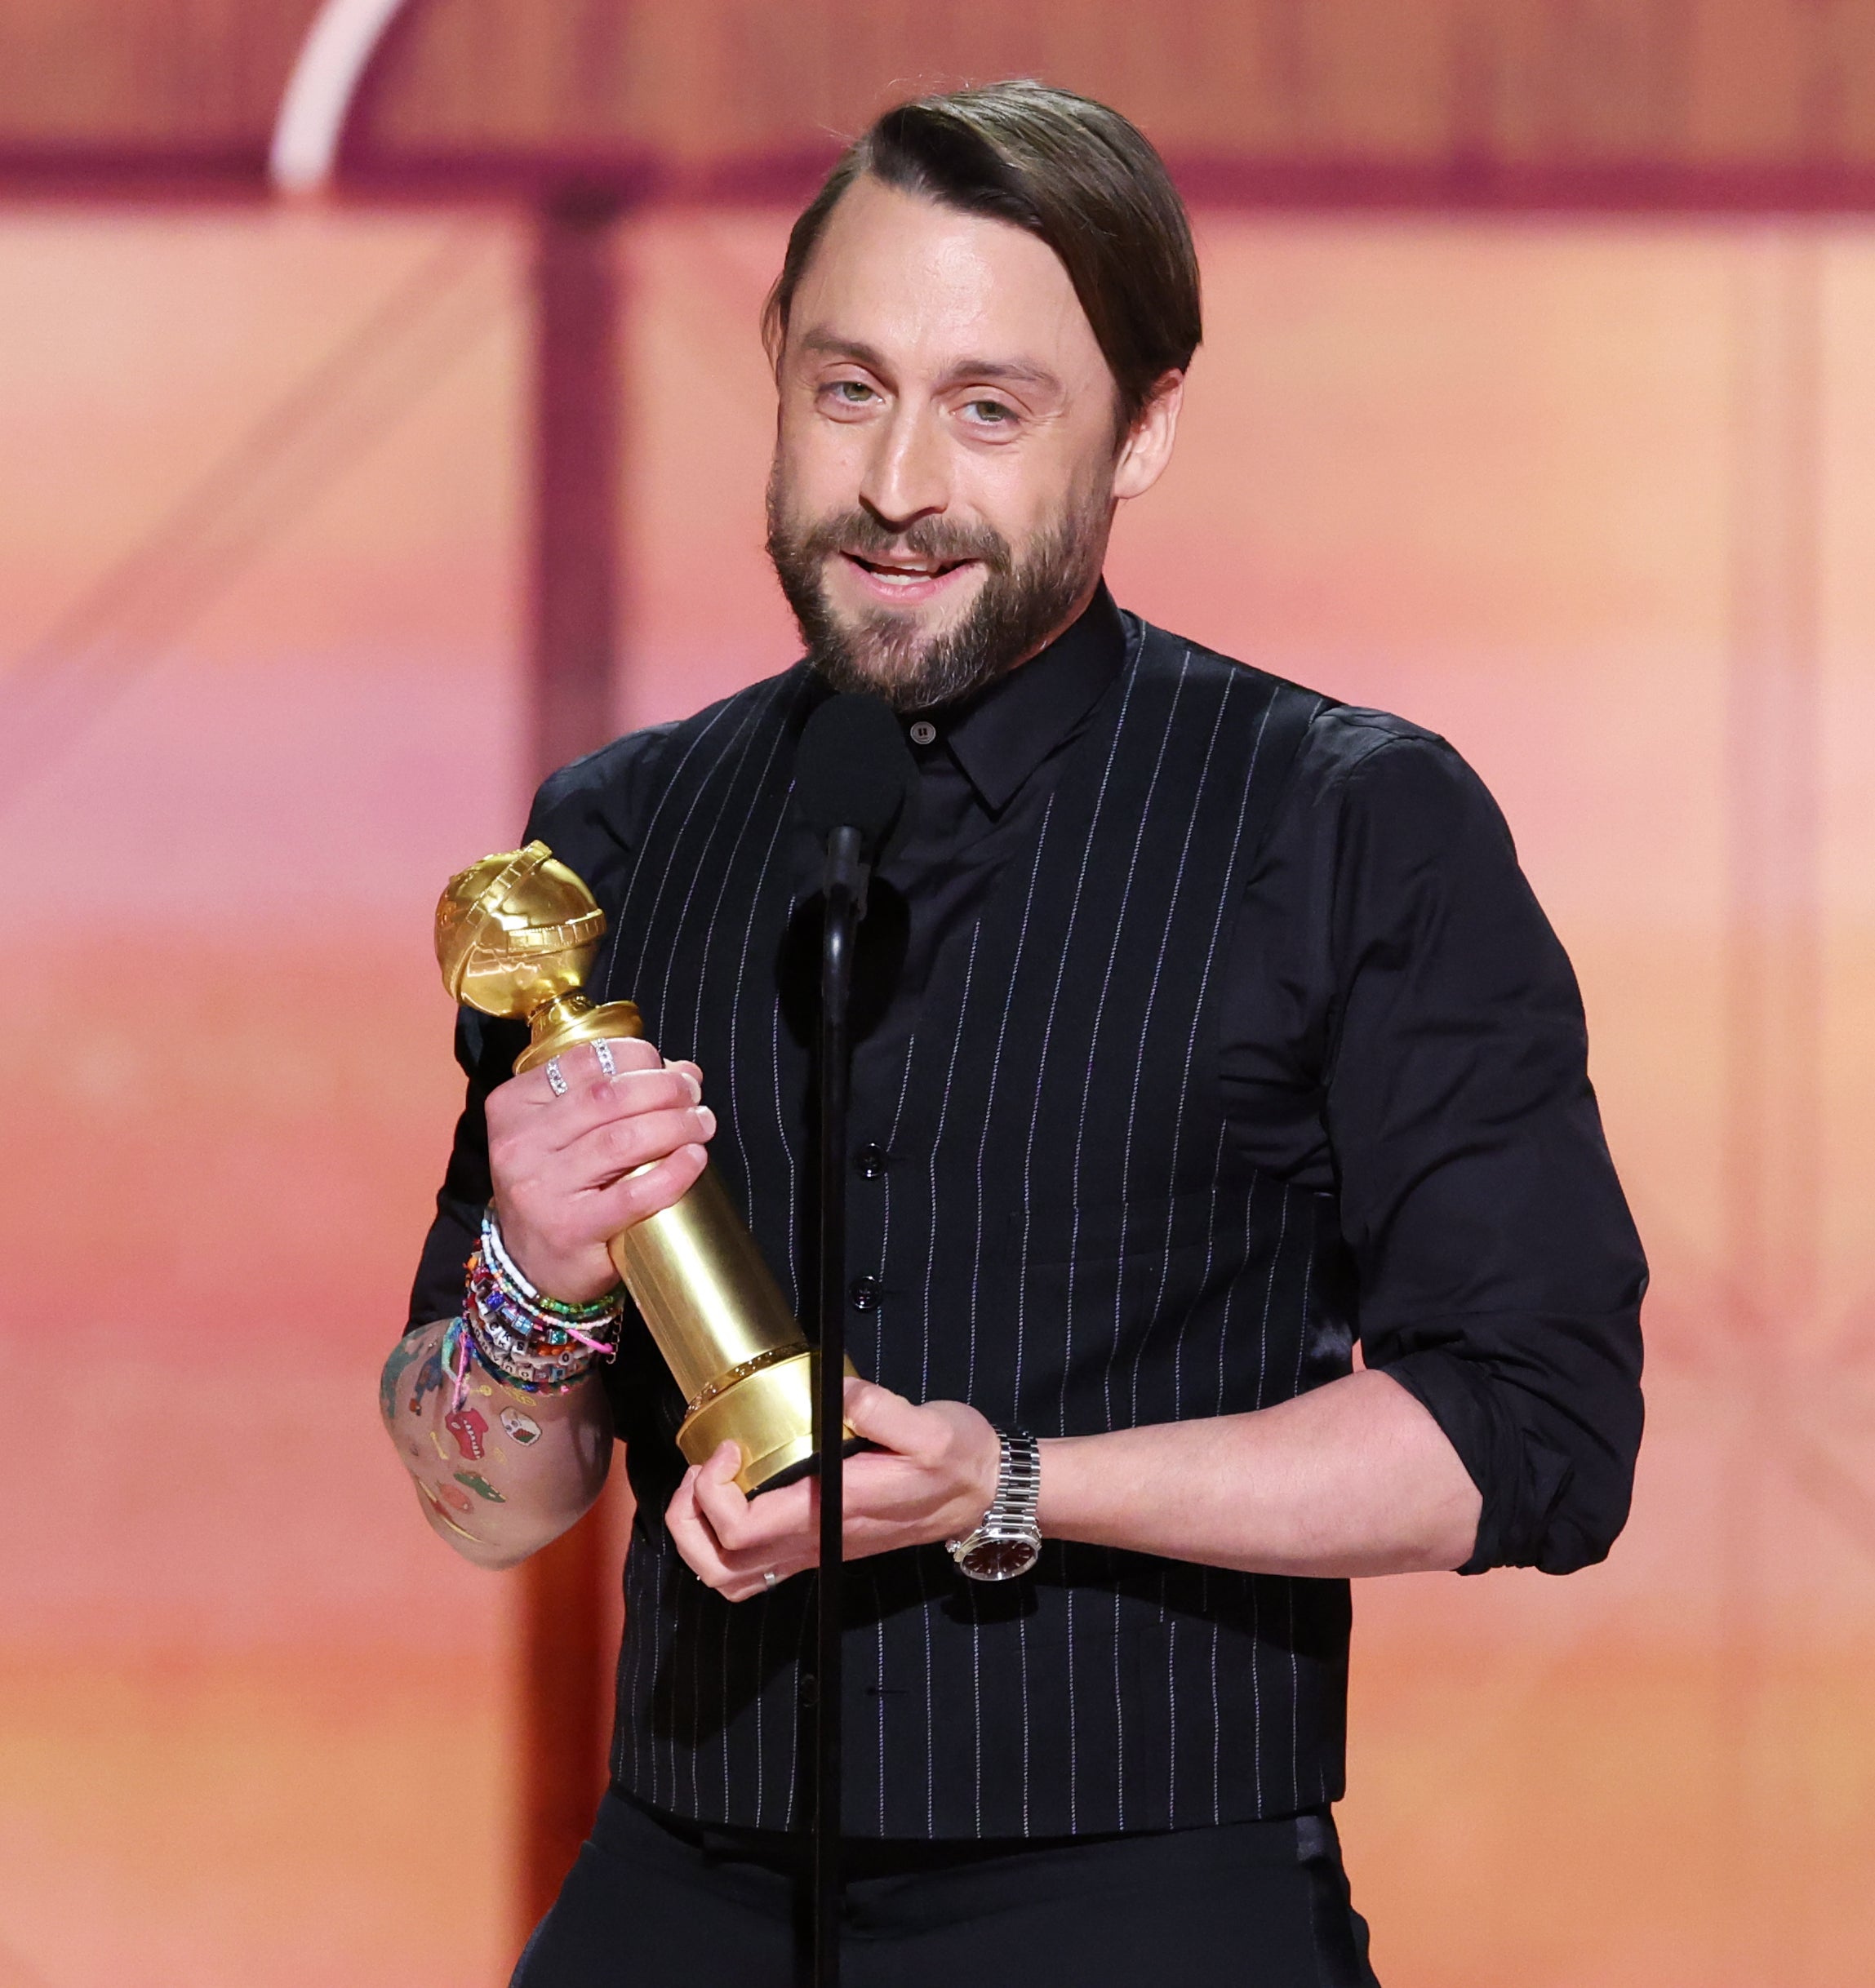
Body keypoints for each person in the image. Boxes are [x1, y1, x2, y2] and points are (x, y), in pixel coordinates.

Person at [386, 80, 1646, 1987]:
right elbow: (491, 1507)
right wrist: (537, 1288)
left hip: (1147, 1905)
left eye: (990, 408)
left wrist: (1010, 1483)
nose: (899, 482)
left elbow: (1536, 1436)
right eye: (848, 387)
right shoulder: (617, 837)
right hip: (675, 1891)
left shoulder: (1344, 821)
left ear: (1140, 432)